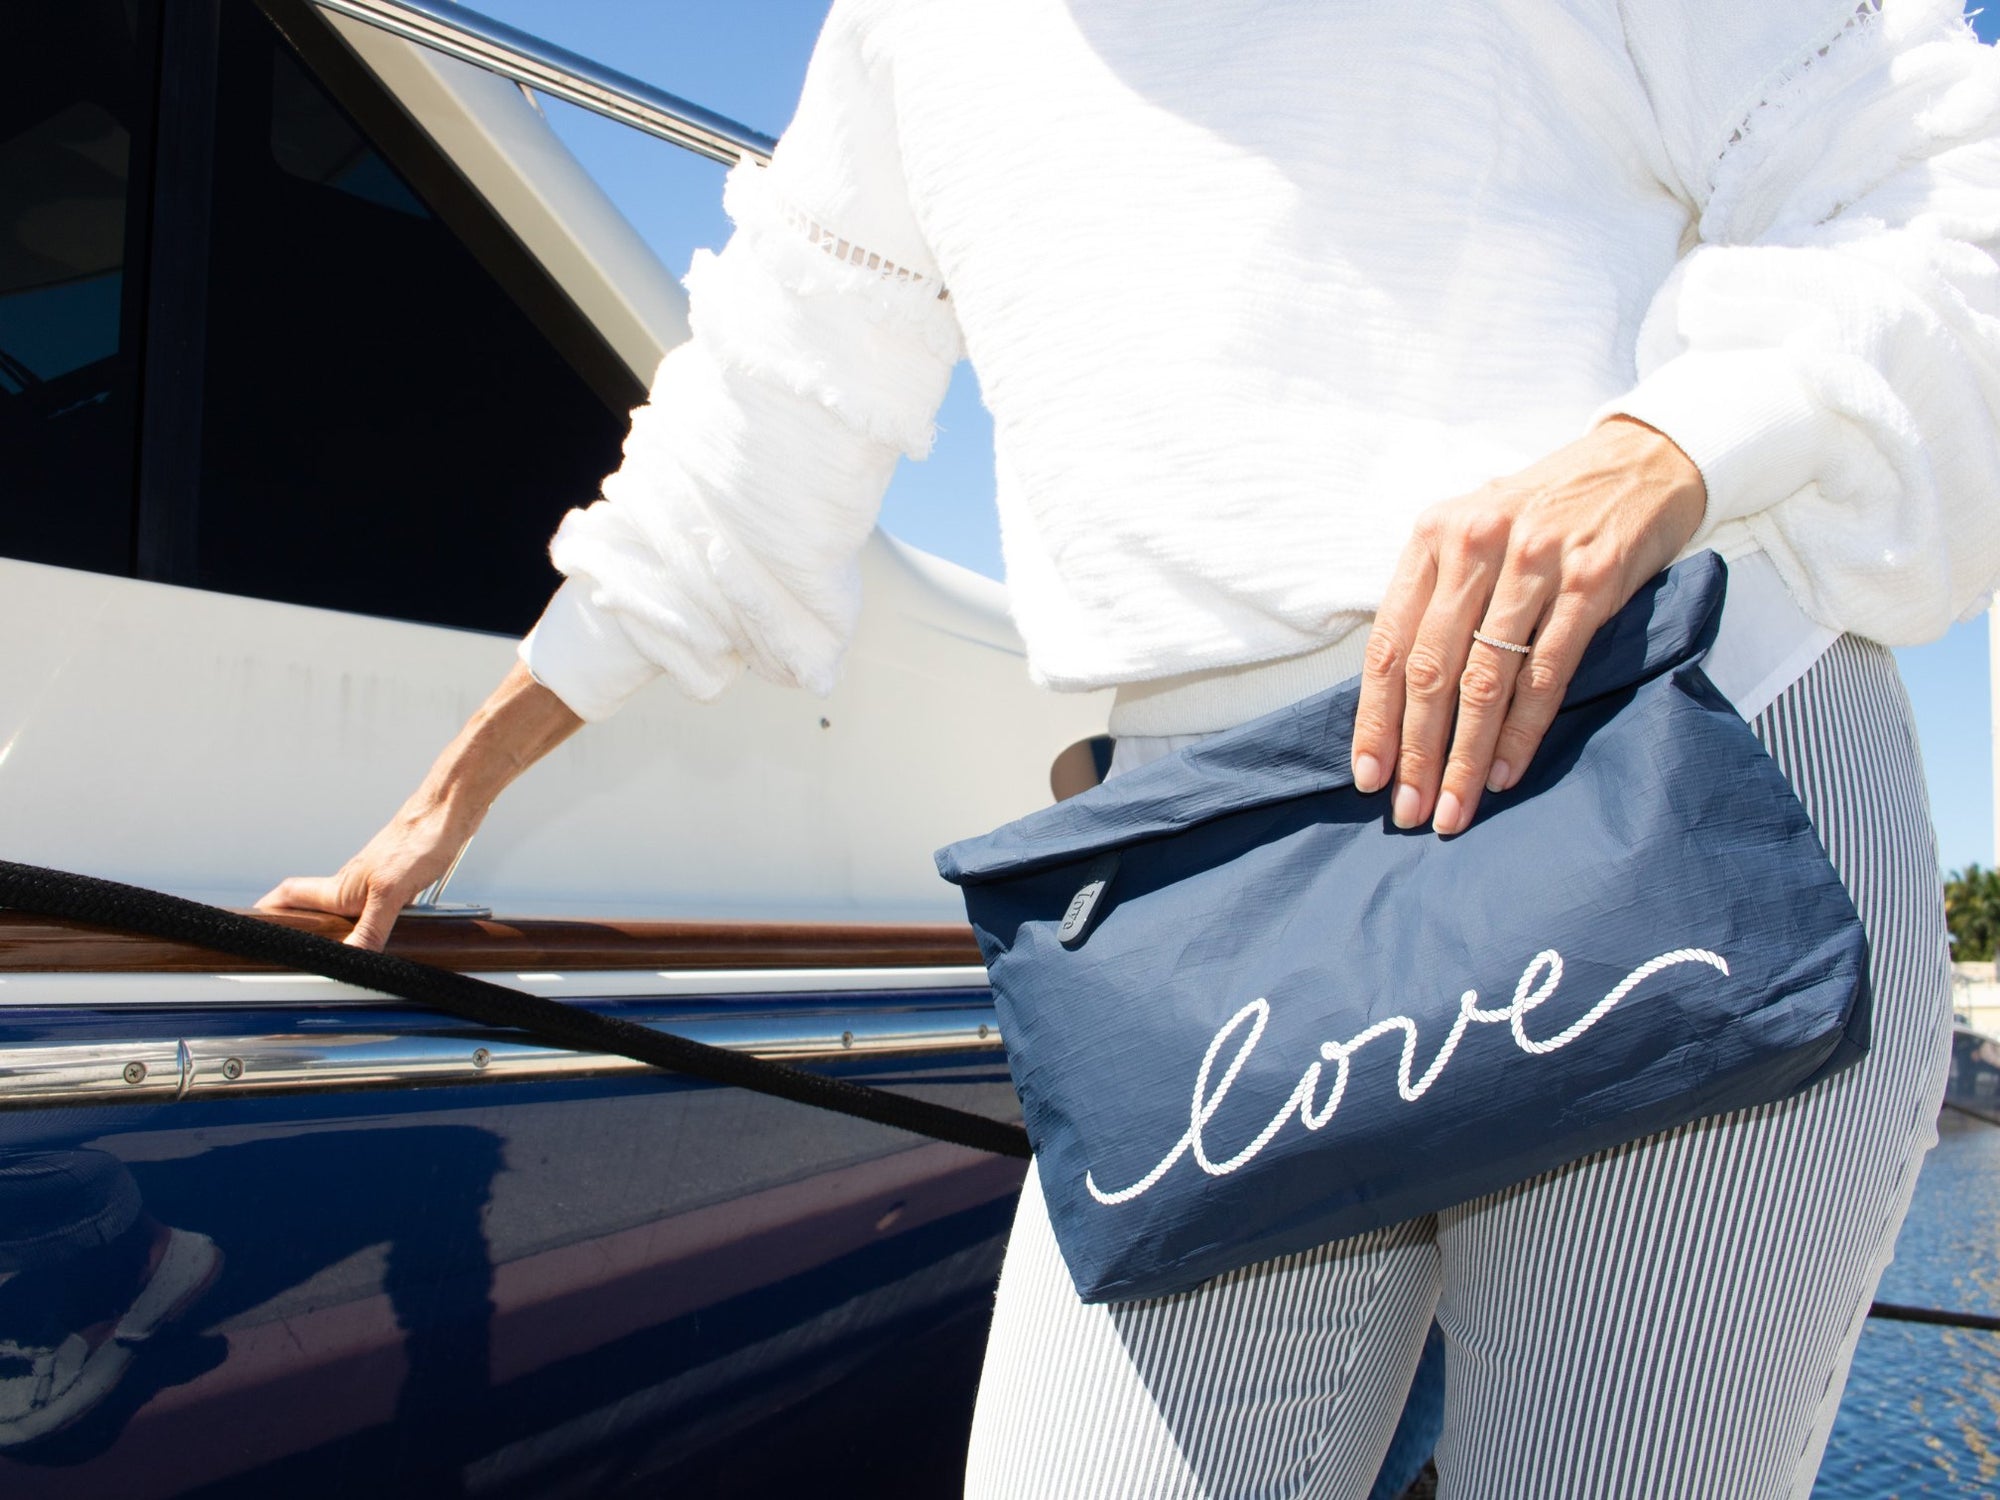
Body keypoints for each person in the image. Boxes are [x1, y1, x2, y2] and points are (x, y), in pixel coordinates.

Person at [263, 0, 2000, 1492]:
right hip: (1215, 902)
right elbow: (750, 431)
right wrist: (438, 808)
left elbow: (1937, 188)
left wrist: (1663, 443)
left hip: (1662, 787)